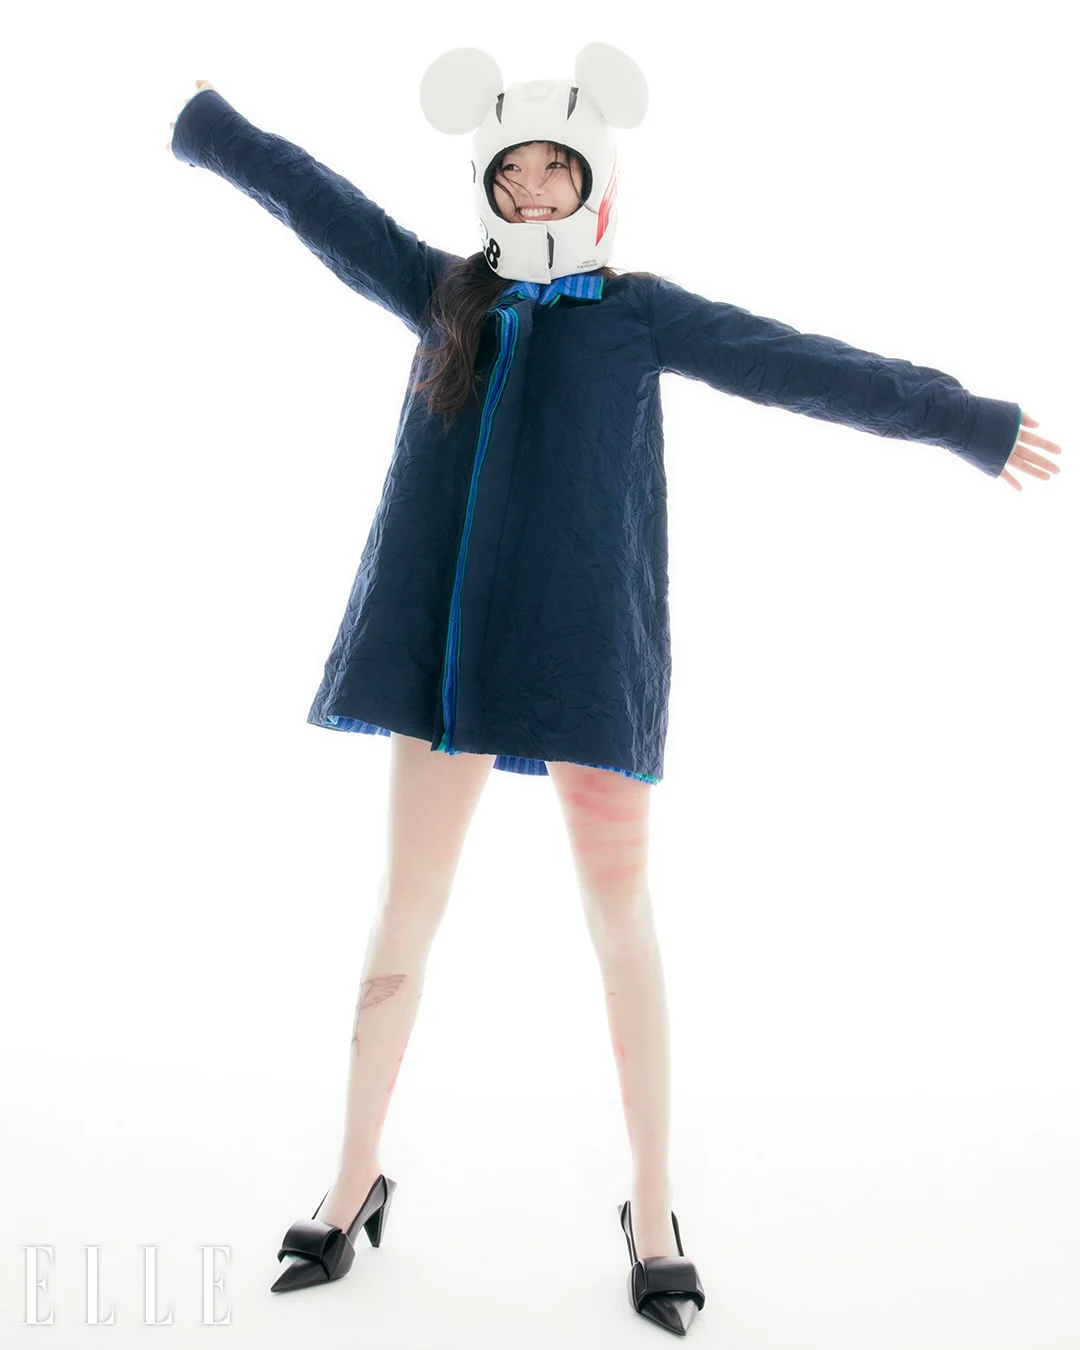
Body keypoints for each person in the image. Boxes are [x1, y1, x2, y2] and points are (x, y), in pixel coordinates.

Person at [167, 46, 1061, 1336]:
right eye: (512, 173)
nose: (533, 192)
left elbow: (804, 364)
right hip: (450, 656)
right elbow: (320, 203)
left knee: (620, 921)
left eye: (556, 170)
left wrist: (962, 420)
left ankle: (652, 1205)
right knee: (404, 910)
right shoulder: (444, 293)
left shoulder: (640, 313)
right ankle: (354, 1176)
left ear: (596, 179)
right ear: (487, 181)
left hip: (588, 650)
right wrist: (205, 121)